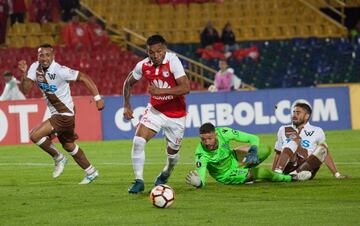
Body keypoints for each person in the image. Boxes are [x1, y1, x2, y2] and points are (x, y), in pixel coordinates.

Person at [18, 43, 105, 184]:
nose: (44, 58)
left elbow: (84, 77)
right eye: (41, 55)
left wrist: (97, 98)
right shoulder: (35, 67)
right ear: (37, 56)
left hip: (64, 114)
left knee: (34, 135)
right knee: (69, 145)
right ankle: (91, 172)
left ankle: (59, 158)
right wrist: (24, 73)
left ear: (53, 56)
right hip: (58, 113)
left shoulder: (60, 70)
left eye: (47, 55)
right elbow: (26, 89)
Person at [123, 34, 190, 193]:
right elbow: (128, 82)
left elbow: (186, 88)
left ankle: (167, 171)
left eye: (159, 51)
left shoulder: (173, 61)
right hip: (156, 111)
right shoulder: (143, 66)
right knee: (138, 141)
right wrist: (126, 105)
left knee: (172, 155)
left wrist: (159, 91)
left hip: (176, 115)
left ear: (164, 50)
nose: (155, 55)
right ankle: (139, 180)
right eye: (151, 52)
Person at [185, 122, 312, 188]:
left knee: (265, 149)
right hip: (227, 174)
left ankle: (246, 172)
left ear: (216, 134)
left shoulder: (224, 132)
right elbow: (201, 178)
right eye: (203, 139)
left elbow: (253, 138)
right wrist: (198, 183)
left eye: (209, 138)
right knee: (262, 173)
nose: (206, 143)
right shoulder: (201, 154)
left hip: (233, 158)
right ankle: (293, 178)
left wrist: (253, 151)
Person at [272, 102, 348, 179]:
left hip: (307, 166)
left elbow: (325, 154)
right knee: (293, 141)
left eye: (298, 113)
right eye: (294, 112)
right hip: (290, 164)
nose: (294, 115)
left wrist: (337, 174)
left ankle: (294, 175)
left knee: (323, 148)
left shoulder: (317, 130)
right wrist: (273, 173)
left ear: (306, 116)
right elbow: (278, 153)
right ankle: (279, 173)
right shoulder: (283, 129)